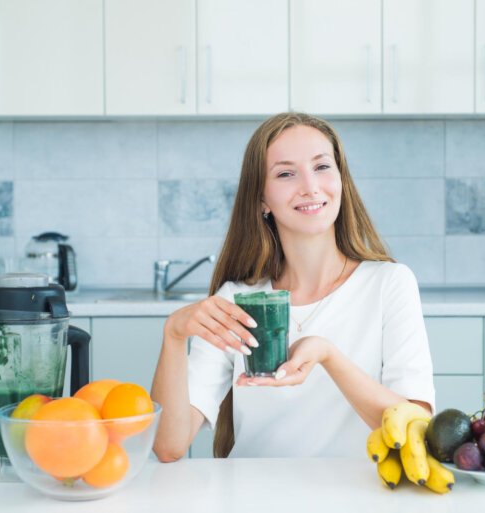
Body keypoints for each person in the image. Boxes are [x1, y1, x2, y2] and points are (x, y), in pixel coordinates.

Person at [151, 112, 434, 461]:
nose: (311, 187)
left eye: (322, 167)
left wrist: (328, 356)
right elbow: (168, 446)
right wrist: (174, 334)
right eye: (286, 173)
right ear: (261, 201)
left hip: (355, 496)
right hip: (252, 495)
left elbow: (416, 427)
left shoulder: (389, 284)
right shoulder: (236, 300)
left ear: (341, 180)